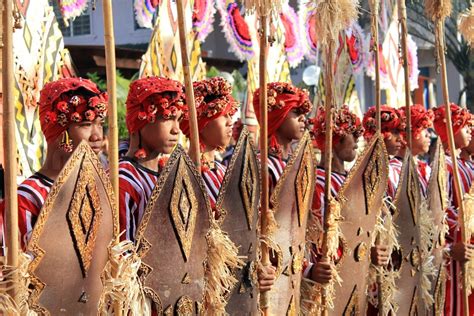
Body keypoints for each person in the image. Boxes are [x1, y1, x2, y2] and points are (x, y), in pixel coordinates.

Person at [17, 77, 108, 248]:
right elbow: (16, 268)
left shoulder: (96, 189)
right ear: (59, 132)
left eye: (100, 124)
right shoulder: (27, 198)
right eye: (86, 124)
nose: (97, 137)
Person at [118, 76, 186, 241]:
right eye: (167, 118)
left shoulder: (168, 174)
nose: (176, 130)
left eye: (179, 120)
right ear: (141, 120)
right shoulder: (123, 181)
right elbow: (122, 255)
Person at [433, 103, 474, 315]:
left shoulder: (465, 165)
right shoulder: (444, 165)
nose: (470, 131)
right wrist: (453, 244)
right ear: (452, 129)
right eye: (465, 126)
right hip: (456, 252)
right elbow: (441, 209)